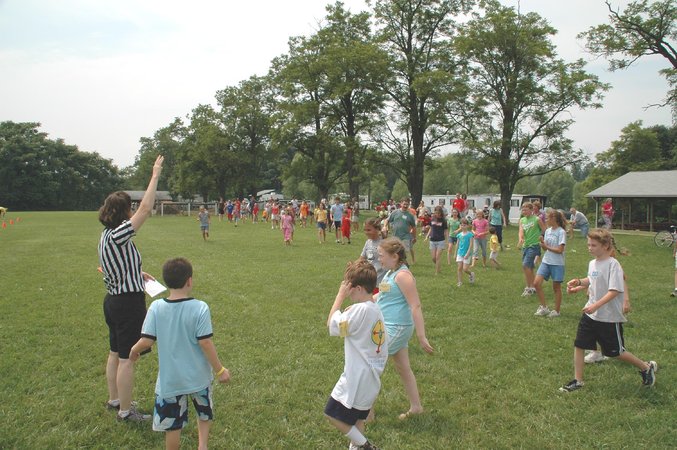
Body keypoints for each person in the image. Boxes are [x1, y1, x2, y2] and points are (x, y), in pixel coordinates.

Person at [130, 258, 230, 449]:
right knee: (204, 413)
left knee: (172, 426)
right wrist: (220, 370)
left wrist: (134, 350)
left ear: (166, 281)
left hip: (170, 381)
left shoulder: (156, 307)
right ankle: (202, 445)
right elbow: (205, 342)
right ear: (189, 281)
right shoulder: (200, 307)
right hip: (199, 378)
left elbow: (147, 340)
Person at [98, 154, 163, 422]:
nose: (132, 211)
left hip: (113, 300)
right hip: (127, 303)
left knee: (115, 352)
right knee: (128, 357)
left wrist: (137, 273)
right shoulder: (119, 234)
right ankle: (126, 412)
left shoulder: (105, 235)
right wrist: (155, 174)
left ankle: (115, 400)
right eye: (129, 208)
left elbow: (109, 266)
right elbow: (146, 209)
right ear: (123, 211)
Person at [559, 228, 657, 392]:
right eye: (588, 245)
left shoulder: (613, 265)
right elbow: (592, 279)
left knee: (615, 352)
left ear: (605, 246)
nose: (589, 248)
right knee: (580, 344)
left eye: (593, 245)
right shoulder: (593, 263)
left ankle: (646, 368)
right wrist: (579, 283)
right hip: (590, 315)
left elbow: (614, 291)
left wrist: (595, 305)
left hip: (608, 317)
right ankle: (578, 380)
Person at [324, 260, 387, 450]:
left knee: (332, 414)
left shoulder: (360, 310)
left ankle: (366, 446)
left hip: (357, 377)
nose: (347, 291)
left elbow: (331, 324)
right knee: (358, 419)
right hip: (372, 377)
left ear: (358, 288)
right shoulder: (374, 308)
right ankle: (357, 447)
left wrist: (339, 296)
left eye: (349, 288)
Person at [376, 238, 433, 420]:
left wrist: (421, 336)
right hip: (389, 326)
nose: (379, 259)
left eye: (381, 256)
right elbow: (381, 296)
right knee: (403, 368)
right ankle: (416, 407)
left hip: (397, 328)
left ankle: (366, 413)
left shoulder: (402, 276)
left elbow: (415, 305)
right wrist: (359, 304)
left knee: (371, 364)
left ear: (395, 256)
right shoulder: (390, 273)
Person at [533, 210, 567, 318]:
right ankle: (544, 308)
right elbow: (545, 249)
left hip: (557, 263)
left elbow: (560, 250)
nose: (546, 220)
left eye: (547, 218)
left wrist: (546, 246)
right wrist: (542, 243)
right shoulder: (547, 231)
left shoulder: (561, 232)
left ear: (554, 219)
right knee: (536, 283)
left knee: (556, 287)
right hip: (546, 261)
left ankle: (556, 311)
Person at [518, 202, 546, 297]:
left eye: (526, 210)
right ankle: (533, 286)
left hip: (534, 246)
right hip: (525, 246)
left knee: (525, 265)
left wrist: (542, 238)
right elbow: (521, 231)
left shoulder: (537, 219)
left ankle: (529, 287)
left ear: (531, 210)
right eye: (523, 210)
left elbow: (544, 230)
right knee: (529, 267)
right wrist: (521, 238)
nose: (524, 212)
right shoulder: (522, 220)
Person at [383, 198, 417, 264]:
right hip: (395, 236)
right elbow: (387, 220)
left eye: (407, 204)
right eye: (404, 204)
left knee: (404, 253)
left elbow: (414, 227)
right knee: (395, 252)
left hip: (405, 237)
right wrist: (384, 226)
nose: (405, 206)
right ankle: (397, 264)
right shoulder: (395, 212)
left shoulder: (410, 216)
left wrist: (414, 237)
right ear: (401, 204)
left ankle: (404, 266)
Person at [360, 217, 386, 288]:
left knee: (383, 295)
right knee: (370, 295)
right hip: (370, 281)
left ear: (377, 229)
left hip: (383, 282)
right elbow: (362, 259)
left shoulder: (384, 243)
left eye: (369, 230)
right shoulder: (368, 242)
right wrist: (352, 266)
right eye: (365, 230)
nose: (366, 232)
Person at [425, 206, 448, 275]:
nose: (437, 214)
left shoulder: (443, 220)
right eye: (436, 213)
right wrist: (427, 236)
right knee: (433, 258)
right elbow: (431, 228)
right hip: (432, 240)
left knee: (437, 257)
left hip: (440, 240)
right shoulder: (432, 219)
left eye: (438, 213)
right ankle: (438, 267)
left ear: (441, 213)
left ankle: (437, 272)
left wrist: (447, 240)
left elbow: (446, 230)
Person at [455, 218, 475, 286]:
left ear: (467, 226)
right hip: (460, 253)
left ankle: (471, 274)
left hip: (467, 254)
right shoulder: (459, 235)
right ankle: (459, 282)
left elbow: (471, 245)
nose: (463, 226)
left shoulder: (470, 234)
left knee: (465, 269)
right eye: (461, 225)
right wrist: (455, 253)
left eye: (464, 225)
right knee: (459, 268)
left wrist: (467, 253)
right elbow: (457, 245)